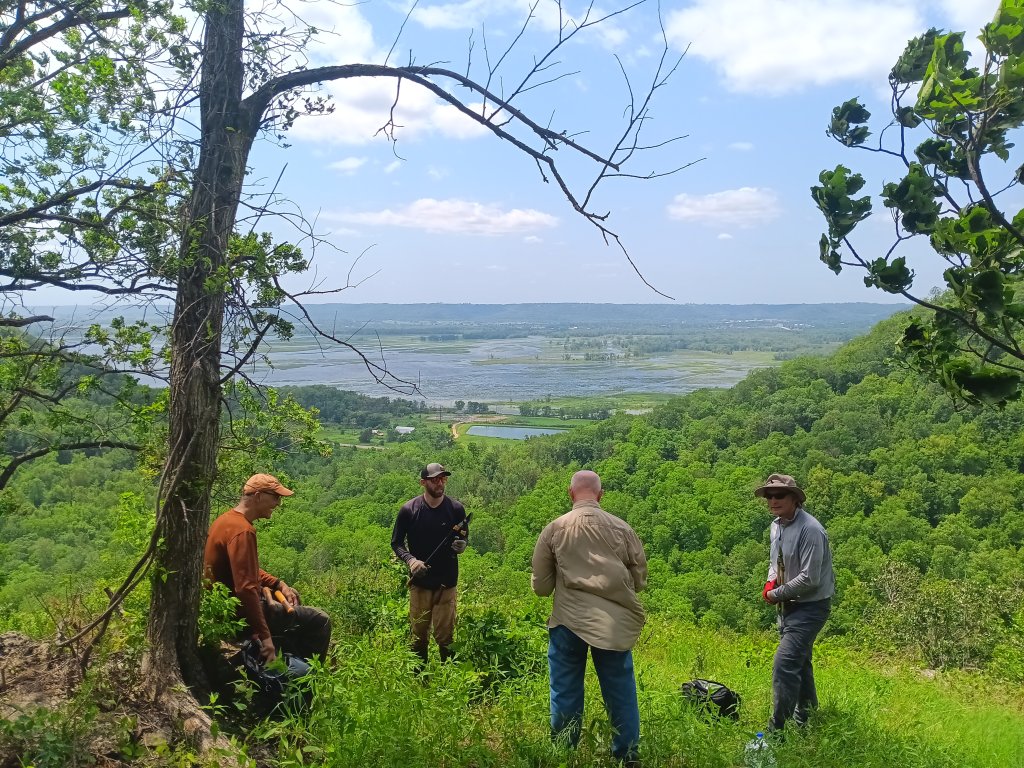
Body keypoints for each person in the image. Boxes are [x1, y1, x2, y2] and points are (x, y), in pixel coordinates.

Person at [531, 470, 647, 766]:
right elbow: (640, 580)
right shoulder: (623, 529)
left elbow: (542, 589)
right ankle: (627, 756)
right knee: (620, 690)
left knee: (565, 689)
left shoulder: (554, 529)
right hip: (614, 624)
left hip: (567, 622)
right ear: (600, 494)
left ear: (570, 494)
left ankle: (564, 752)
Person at [203, 473, 331, 663]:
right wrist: (265, 636)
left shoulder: (226, 521)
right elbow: (246, 590)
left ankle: (288, 658)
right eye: (275, 497)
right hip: (238, 615)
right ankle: (307, 682)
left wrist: (278, 584)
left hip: (225, 609)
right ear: (258, 496)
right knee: (320, 620)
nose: (278, 503)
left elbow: (246, 570)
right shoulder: (243, 531)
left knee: (293, 596)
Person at [756, 473, 835, 733]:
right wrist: (771, 583)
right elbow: (774, 561)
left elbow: (810, 578)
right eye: (769, 496)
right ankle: (808, 717)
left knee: (785, 663)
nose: (773, 500)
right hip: (789, 604)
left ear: (795, 499)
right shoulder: (776, 525)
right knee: (800, 661)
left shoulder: (810, 530)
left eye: (779, 496)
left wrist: (774, 595)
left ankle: (776, 731)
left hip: (811, 606)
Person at [391, 462, 469, 667]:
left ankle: (450, 681)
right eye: (434, 479)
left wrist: (463, 545)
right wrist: (411, 560)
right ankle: (419, 682)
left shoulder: (456, 509)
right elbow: (396, 543)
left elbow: (463, 536)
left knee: (446, 637)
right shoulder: (409, 510)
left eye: (443, 478)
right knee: (418, 636)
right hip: (421, 583)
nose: (440, 483)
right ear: (423, 482)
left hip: (447, 583)